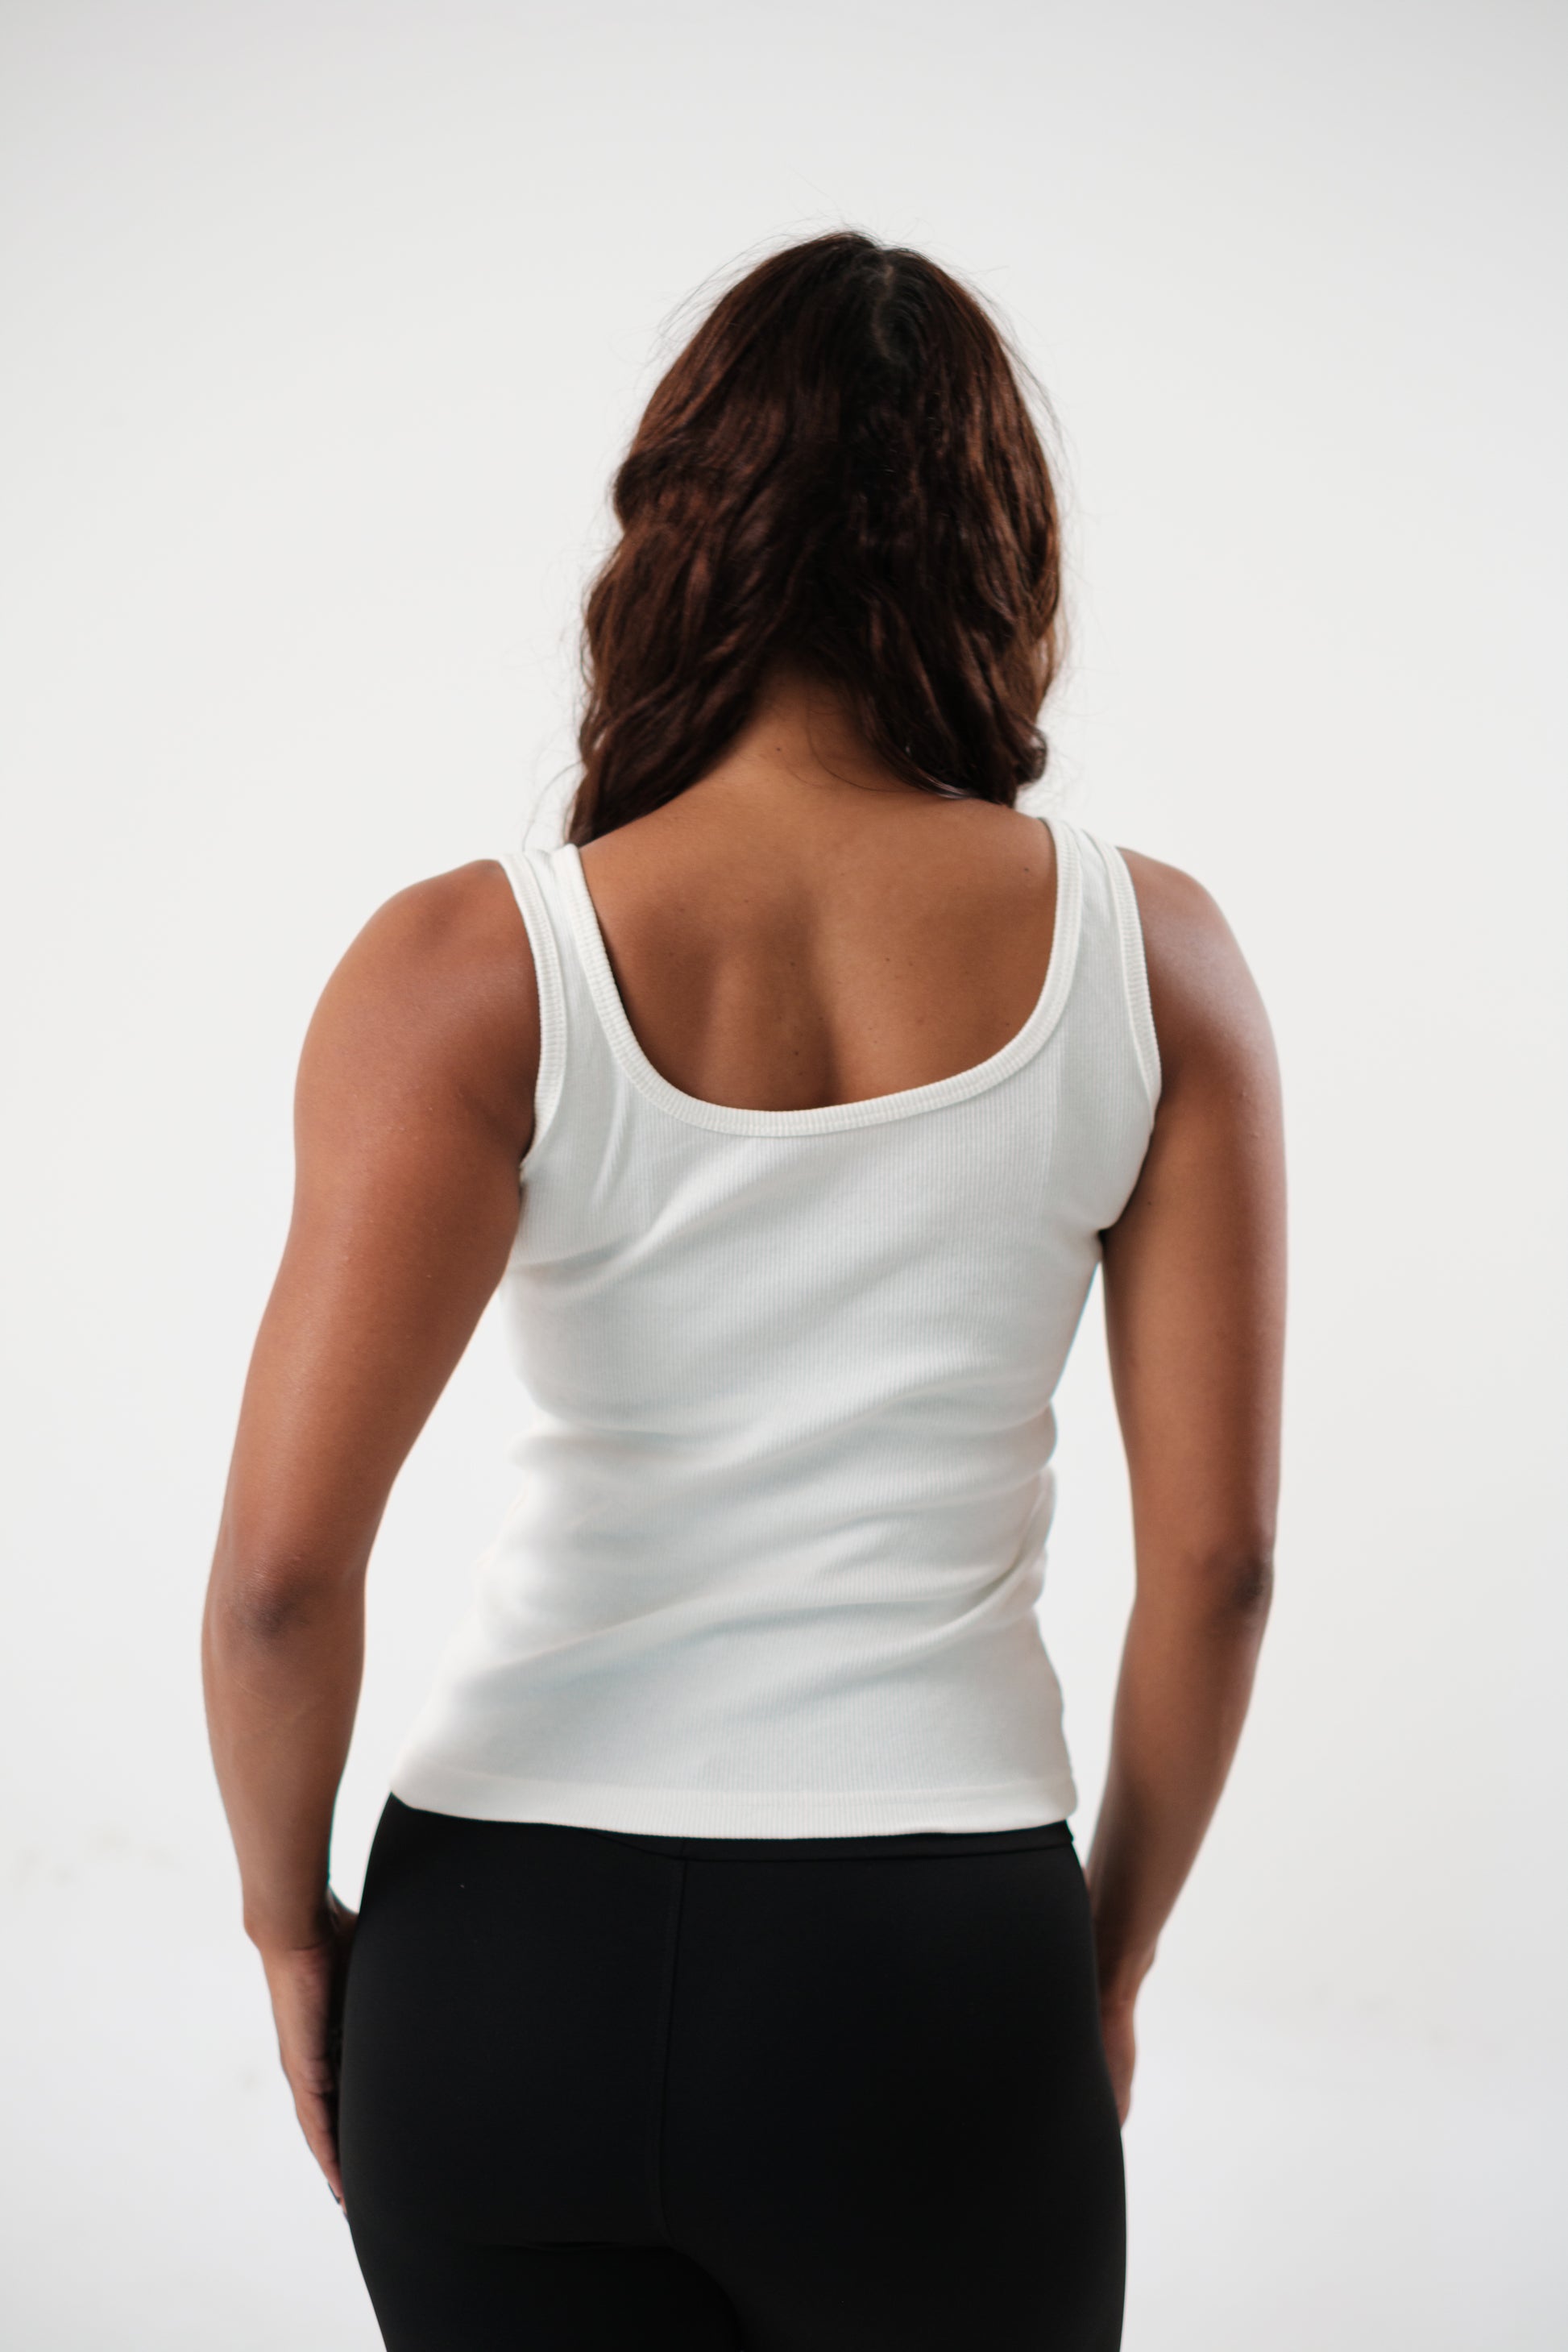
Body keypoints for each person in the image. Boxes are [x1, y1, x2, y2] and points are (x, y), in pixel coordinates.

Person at [202, 231, 1284, 2351]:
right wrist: (1103, 1966)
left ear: (680, 525)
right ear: (998, 549)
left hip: (498, 1957)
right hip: (933, 1964)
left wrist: (284, 1926)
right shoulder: (1156, 964)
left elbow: (273, 1581)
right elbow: (1220, 1572)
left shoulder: (463, 968)